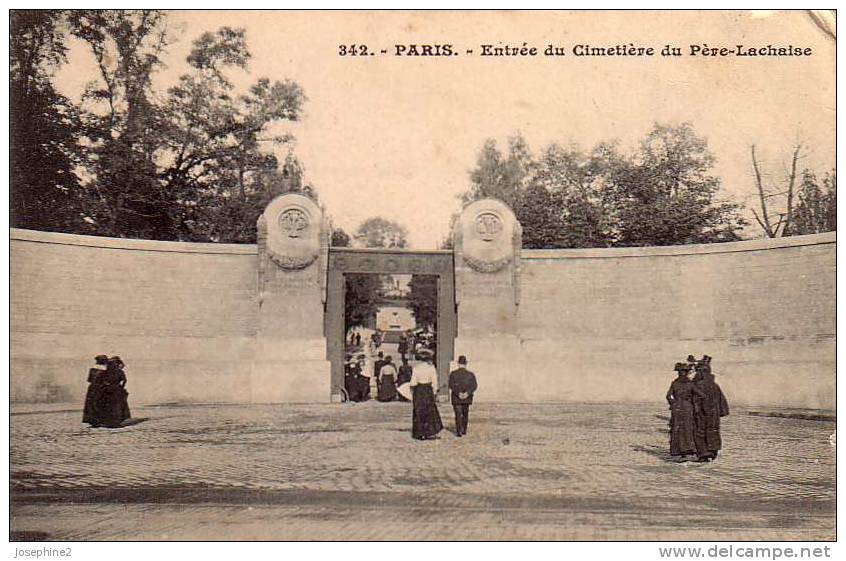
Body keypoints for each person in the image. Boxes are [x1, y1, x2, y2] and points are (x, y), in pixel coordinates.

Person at [692, 356, 729, 462]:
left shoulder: (697, 385)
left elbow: (693, 398)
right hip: (713, 412)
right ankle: (713, 451)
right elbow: (721, 400)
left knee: (700, 431)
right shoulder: (714, 385)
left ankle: (703, 453)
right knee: (713, 430)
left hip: (700, 412)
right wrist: (722, 411)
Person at [666, 362, 702, 459]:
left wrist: (673, 404)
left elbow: (668, 396)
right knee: (688, 429)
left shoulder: (675, 383)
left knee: (677, 428)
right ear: (686, 373)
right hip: (687, 407)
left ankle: (678, 450)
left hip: (677, 408)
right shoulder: (690, 384)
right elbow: (701, 395)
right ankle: (688, 449)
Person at [409, 356, 443, 440]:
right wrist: (434, 392)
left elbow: (413, 382)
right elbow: (434, 381)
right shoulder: (431, 368)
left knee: (419, 410)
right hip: (428, 390)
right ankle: (429, 431)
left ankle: (420, 433)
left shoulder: (416, 368)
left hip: (419, 390)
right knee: (429, 410)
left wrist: (412, 391)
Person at [93, 356, 131, 428]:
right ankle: (116, 420)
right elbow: (124, 381)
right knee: (116, 406)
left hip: (108, 390)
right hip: (116, 390)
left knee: (110, 406)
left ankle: (109, 421)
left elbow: (102, 381)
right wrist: (121, 387)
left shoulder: (106, 372)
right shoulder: (119, 371)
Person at [448, 355, 478, 437]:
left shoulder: (453, 374)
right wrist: (467, 393)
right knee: (465, 413)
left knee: (458, 414)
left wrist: (458, 393)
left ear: (458, 363)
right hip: (467, 398)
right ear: (466, 364)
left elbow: (451, 385)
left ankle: (458, 431)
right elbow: (474, 386)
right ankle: (464, 429)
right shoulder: (471, 374)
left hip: (456, 397)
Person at [83, 355, 109, 425]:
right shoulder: (105, 370)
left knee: (91, 404)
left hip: (92, 388)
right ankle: (101, 420)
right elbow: (106, 381)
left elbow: (89, 380)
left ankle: (92, 420)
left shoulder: (92, 369)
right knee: (100, 403)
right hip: (101, 388)